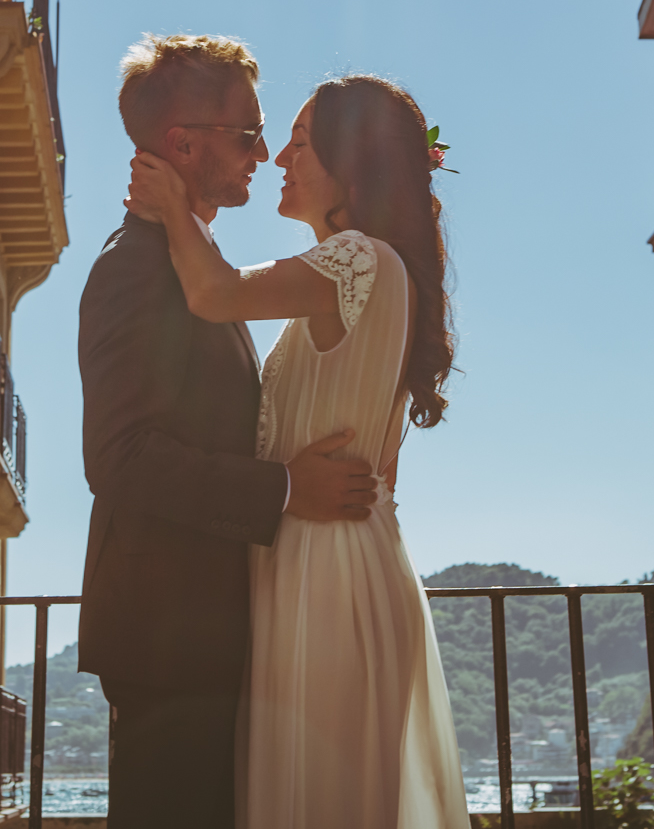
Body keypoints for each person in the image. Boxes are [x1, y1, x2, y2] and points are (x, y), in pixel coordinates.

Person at [126, 74, 470, 829]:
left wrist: (174, 208)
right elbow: (384, 474)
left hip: (321, 565)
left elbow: (213, 293)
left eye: (302, 141)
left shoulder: (355, 260)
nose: (279, 155)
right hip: (352, 553)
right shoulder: (385, 274)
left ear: (353, 165)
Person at [78, 35, 380, 829]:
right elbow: (120, 458)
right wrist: (285, 489)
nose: (264, 151)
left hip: (212, 639)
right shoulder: (134, 268)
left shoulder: (192, 262)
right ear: (184, 143)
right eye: (248, 134)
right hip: (169, 645)